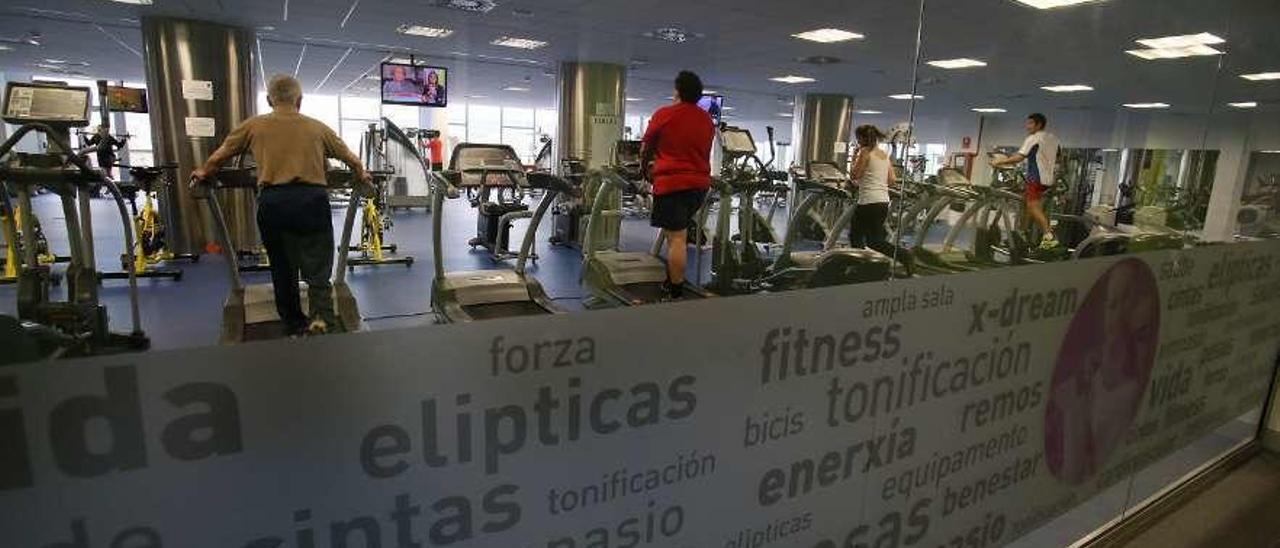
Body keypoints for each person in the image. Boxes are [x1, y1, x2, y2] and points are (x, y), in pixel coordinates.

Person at [193, 74, 371, 336]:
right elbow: (352, 160)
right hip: (311, 201)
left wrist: (204, 172)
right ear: (299, 100)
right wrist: (361, 173)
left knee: (282, 267)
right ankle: (320, 320)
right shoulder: (317, 127)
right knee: (318, 266)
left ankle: (294, 324)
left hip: (274, 203)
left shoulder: (253, 126)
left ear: (269, 100)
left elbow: (219, 157)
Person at [640, 71, 715, 300]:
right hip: (699, 187)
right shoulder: (706, 120)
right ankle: (671, 278)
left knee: (677, 238)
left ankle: (675, 291)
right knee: (677, 233)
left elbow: (646, 147)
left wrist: (644, 170)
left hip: (672, 184)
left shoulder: (665, 114)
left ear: (678, 90)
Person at [991, 112, 1061, 249]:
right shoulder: (1053, 139)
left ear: (1039, 124)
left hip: (1035, 178)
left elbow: (1019, 157)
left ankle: (1048, 235)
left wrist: (1000, 162)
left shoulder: (1033, 138)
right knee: (1030, 205)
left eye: (1030, 123)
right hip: (1047, 180)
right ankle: (1023, 232)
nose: (1027, 126)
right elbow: (1059, 158)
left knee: (1032, 207)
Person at [848, 125, 899, 260]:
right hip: (883, 202)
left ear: (862, 138)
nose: (858, 141)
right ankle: (903, 256)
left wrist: (854, 157)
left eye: (858, 138)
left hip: (868, 202)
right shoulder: (883, 154)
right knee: (874, 240)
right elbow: (892, 180)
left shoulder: (864, 152)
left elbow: (854, 175)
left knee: (855, 236)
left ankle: (859, 264)